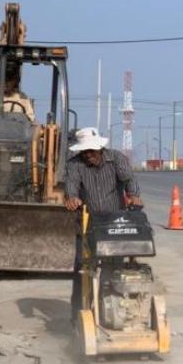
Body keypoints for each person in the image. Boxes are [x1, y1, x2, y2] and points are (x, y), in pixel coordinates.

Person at [64, 127, 142, 322]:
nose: (88, 155)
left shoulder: (116, 158)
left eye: (91, 151)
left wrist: (133, 195)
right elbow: (71, 186)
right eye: (84, 152)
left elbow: (129, 179)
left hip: (116, 220)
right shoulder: (74, 164)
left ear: (100, 148)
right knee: (82, 269)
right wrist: (72, 198)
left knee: (115, 267)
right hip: (88, 221)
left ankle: (114, 309)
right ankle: (77, 318)